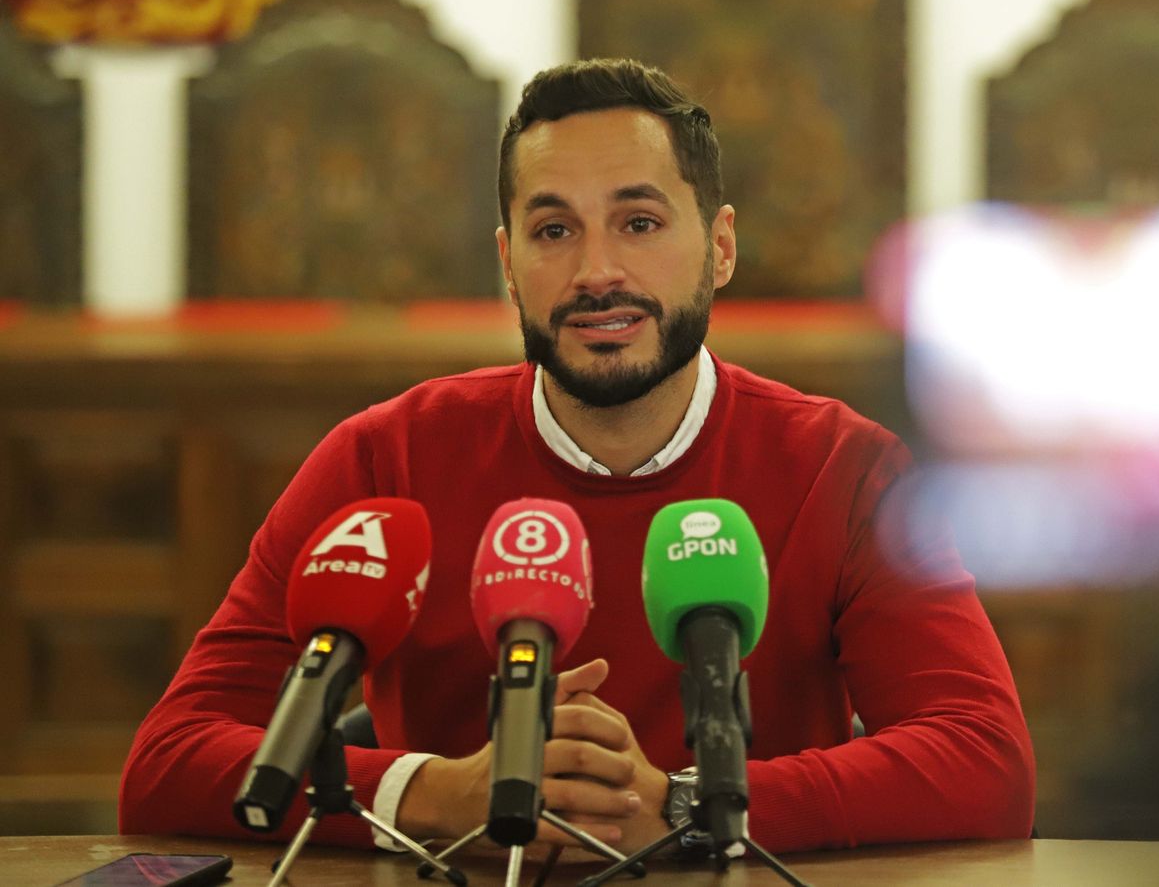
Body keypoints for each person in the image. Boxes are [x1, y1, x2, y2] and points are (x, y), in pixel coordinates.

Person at [119, 58, 1035, 857]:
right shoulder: (383, 461)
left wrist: (687, 807)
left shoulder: (847, 468)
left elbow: (985, 760)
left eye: (639, 223)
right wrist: (439, 793)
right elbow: (168, 760)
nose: (598, 271)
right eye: (554, 231)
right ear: (509, 263)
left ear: (718, 248)